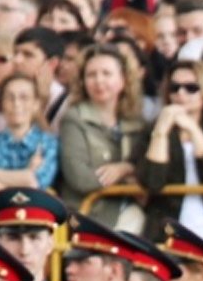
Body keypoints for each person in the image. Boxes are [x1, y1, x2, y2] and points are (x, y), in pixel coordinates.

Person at [140, 60, 203, 242]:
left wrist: (193, 130)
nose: (181, 94)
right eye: (174, 87)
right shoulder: (152, 130)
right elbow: (153, 181)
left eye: (191, 88)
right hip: (166, 233)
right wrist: (161, 131)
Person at [56, 45, 149, 232]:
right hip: (90, 215)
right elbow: (80, 178)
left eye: (107, 73)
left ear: (123, 80)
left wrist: (124, 168)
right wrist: (128, 182)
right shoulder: (74, 119)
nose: (99, 81)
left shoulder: (137, 123)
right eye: (91, 75)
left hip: (134, 213)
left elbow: (149, 173)